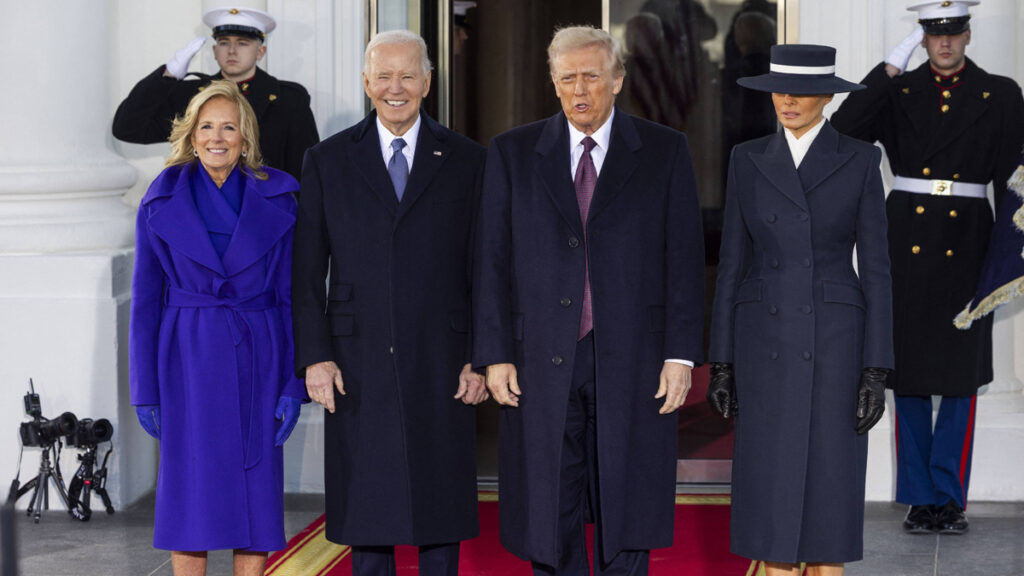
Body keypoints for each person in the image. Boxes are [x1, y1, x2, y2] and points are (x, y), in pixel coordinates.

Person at [473, 25, 705, 576]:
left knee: (628, 493)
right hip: (538, 358)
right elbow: (491, 261)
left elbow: (684, 263)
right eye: (568, 78)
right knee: (551, 499)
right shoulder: (512, 152)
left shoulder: (664, 151)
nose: (580, 90)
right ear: (553, 84)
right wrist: (495, 353)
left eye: (592, 77)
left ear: (617, 80)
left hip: (635, 356)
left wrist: (680, 356)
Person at [291, 30, 487, 576]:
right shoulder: (327, 160)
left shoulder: (469, 160)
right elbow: (306, 270)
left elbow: (483, 267)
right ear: (365, 82)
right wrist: (315, 356)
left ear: (428, 81)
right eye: (383, 76)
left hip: (444, 356)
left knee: (439, 503)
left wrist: (481, 354)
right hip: (355, 358)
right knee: (367, 506)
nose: (394, 88)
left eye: (407, 76)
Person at [831, 0, 1024, 534]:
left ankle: (949, 496)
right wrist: (889, 68)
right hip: (906, 242)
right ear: (921, 37)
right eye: (933, 34)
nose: (944, 43)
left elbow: (1014, 177)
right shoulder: (899, 91)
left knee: (960, 380)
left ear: (967, 35)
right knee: (910, 376)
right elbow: (845, 130)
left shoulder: (1002, 93)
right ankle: (920, 497)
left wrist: (1009, 257)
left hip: (969, 242)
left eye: (954, 33)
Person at [707, 44, 893, 576]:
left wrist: (875, 368)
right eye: (779, 90)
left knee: (829, 481)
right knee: (769, 482)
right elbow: (731, 267)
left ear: (828, 98)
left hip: (836, 340)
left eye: (802, 91)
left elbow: (876, 269)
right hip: (761, 341)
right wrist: (721, 361)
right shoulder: (747, 157)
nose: (787, 100)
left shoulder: (860, 158)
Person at [130, 80, 305, 576]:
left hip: (260, 352)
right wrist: (145, 389)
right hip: (187, 358)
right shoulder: (160, 197)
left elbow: (294, 297)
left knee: (255, 498)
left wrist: (294, 381)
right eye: (206, 126)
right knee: (192, 498)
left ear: (245, 136)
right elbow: (145, 301)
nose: (217, 137)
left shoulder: (283, 196)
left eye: (229, 126)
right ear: (190, 134)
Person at [112, 6, 318, 180]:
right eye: (224, 42)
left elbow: (306, 171)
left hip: (265, 214)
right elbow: (128, 128)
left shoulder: (288, 100)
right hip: (203, 211)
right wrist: (169, 75)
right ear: (214, 51)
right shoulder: (192, 96)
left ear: (260, 52)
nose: (232, 51)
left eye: (243, 43)